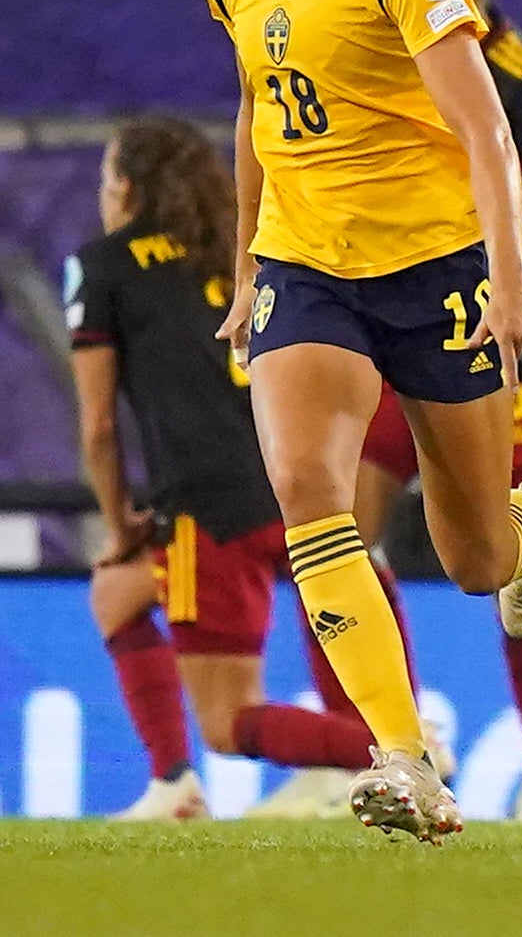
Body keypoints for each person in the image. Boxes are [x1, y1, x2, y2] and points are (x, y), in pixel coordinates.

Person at [208, 0, 522, 841]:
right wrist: (252, 263)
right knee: (314, 499)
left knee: (473, 557)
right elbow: (263, 107)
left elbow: (481, 124)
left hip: (434, 269)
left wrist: (508, 279)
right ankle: (404, 756)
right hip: (307, 266)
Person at [67, 119, 395, 818]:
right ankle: (172, 786)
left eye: (104, 179)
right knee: (118, 596)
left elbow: (97, 427)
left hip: (208, 508)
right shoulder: (249, 249)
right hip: (299, 483)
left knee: (227, 720)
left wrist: (120, 518)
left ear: (124, 188)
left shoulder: (106, 264)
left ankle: (397, 754)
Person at [345, 0, 522, 824]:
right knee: (344, 533)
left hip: (493, 346)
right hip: (396, 333)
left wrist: (516, 321)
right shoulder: (390, 64)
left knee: (504, 564)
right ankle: (405, 741)